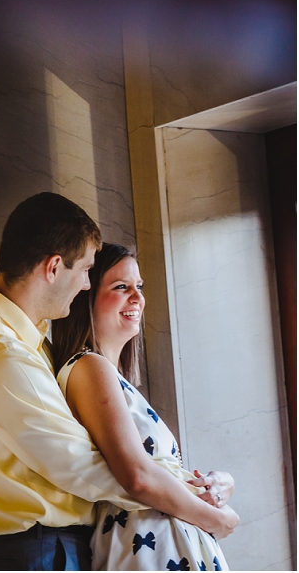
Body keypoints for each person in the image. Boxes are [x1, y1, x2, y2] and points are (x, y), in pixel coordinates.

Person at [0, 192, 145, 570]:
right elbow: (82, 467)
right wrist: (189, 499)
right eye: (84, 270)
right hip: (39, 553)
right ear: (53, 267)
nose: (85, 284)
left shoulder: (21, 339)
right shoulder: (1, 355)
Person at [51, 243, 237, 570]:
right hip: (146, 550)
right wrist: (219, 520)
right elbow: (137, 477)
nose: (137, 297)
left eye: (139, 286)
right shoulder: (89, 367)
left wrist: (218, 485)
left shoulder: (112, 377)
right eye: (121, 287)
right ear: (85, 297)